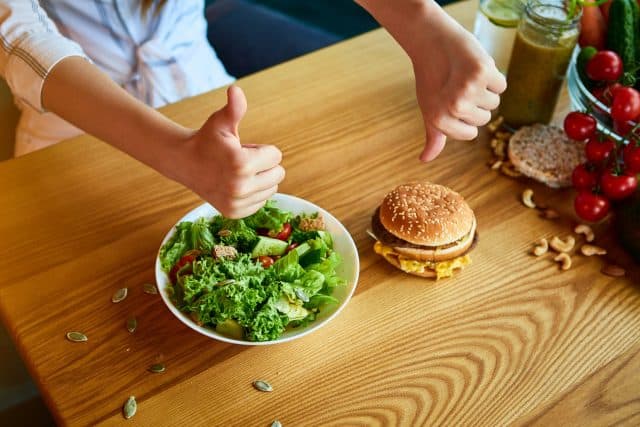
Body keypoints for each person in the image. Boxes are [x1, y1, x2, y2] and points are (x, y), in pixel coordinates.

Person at [0, 0, 506, 219]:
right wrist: (175, 153)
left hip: (205, 86)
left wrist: (418, 21)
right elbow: (18, 33)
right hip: (73, 120)